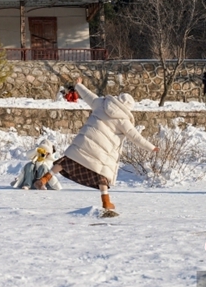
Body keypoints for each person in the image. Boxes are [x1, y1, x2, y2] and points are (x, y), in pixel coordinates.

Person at [36, 78, 159, 213]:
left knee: (67, 161)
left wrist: (78, 85)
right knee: (102, 175)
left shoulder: (101, 104)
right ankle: (106, 201)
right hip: (101, 152)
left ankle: (44, 179)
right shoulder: (123, 121)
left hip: (84, 142)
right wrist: (151, 147)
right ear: (129, 107)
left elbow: (88, 95)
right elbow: (136, 137)